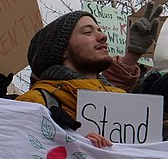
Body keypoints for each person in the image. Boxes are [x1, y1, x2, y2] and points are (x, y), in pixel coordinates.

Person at [16, 11, 125, 144]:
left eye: (99, 30)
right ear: (62, 50)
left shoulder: (125, 102)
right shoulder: (35, 103)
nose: (103, 36)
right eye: (87, 32)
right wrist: (74, 147)